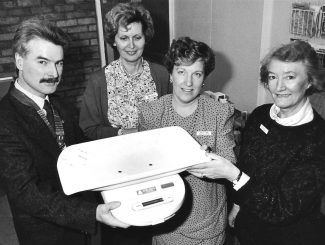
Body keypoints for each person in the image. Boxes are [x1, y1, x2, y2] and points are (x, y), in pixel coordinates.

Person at [0, 17, 129, 245]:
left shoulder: (58, 103)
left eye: (59, 63)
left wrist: (121, 143)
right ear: (19, 61)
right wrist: (92, 213)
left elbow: (81, 147)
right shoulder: (5, 118)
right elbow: (27, 193)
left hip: (80, 228)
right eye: (43, 62)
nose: (54, 73)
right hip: (47, 234)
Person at [138, 36, 240, 245]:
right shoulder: (152, 113)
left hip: (207, 225)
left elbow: (230, 161)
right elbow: (144, 166)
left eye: (197, 74)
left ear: (204, 79)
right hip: (165, 220)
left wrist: (207, 159)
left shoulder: (219, 112)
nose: (188, 82)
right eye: (181, 72)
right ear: (171, 74)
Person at [222, 40, 325, 245]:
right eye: (273, 76)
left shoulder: (318, 137)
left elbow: (280, 208)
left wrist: (232, 174)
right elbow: (247, 165)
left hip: (290, 237)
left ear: (310, 81)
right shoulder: (260, 115)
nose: (279, 87)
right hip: (249, 231)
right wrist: (237, 205)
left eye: (290, 77)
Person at [79, 2, 171, 140]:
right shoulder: (98, 81)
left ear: (145, 38)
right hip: (116, 153)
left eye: (137, 37)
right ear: (114, 40)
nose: (132, 45)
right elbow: (89, 129)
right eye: (124, 38)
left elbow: (173, 117)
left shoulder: (162, 74)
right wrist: (121, 133)